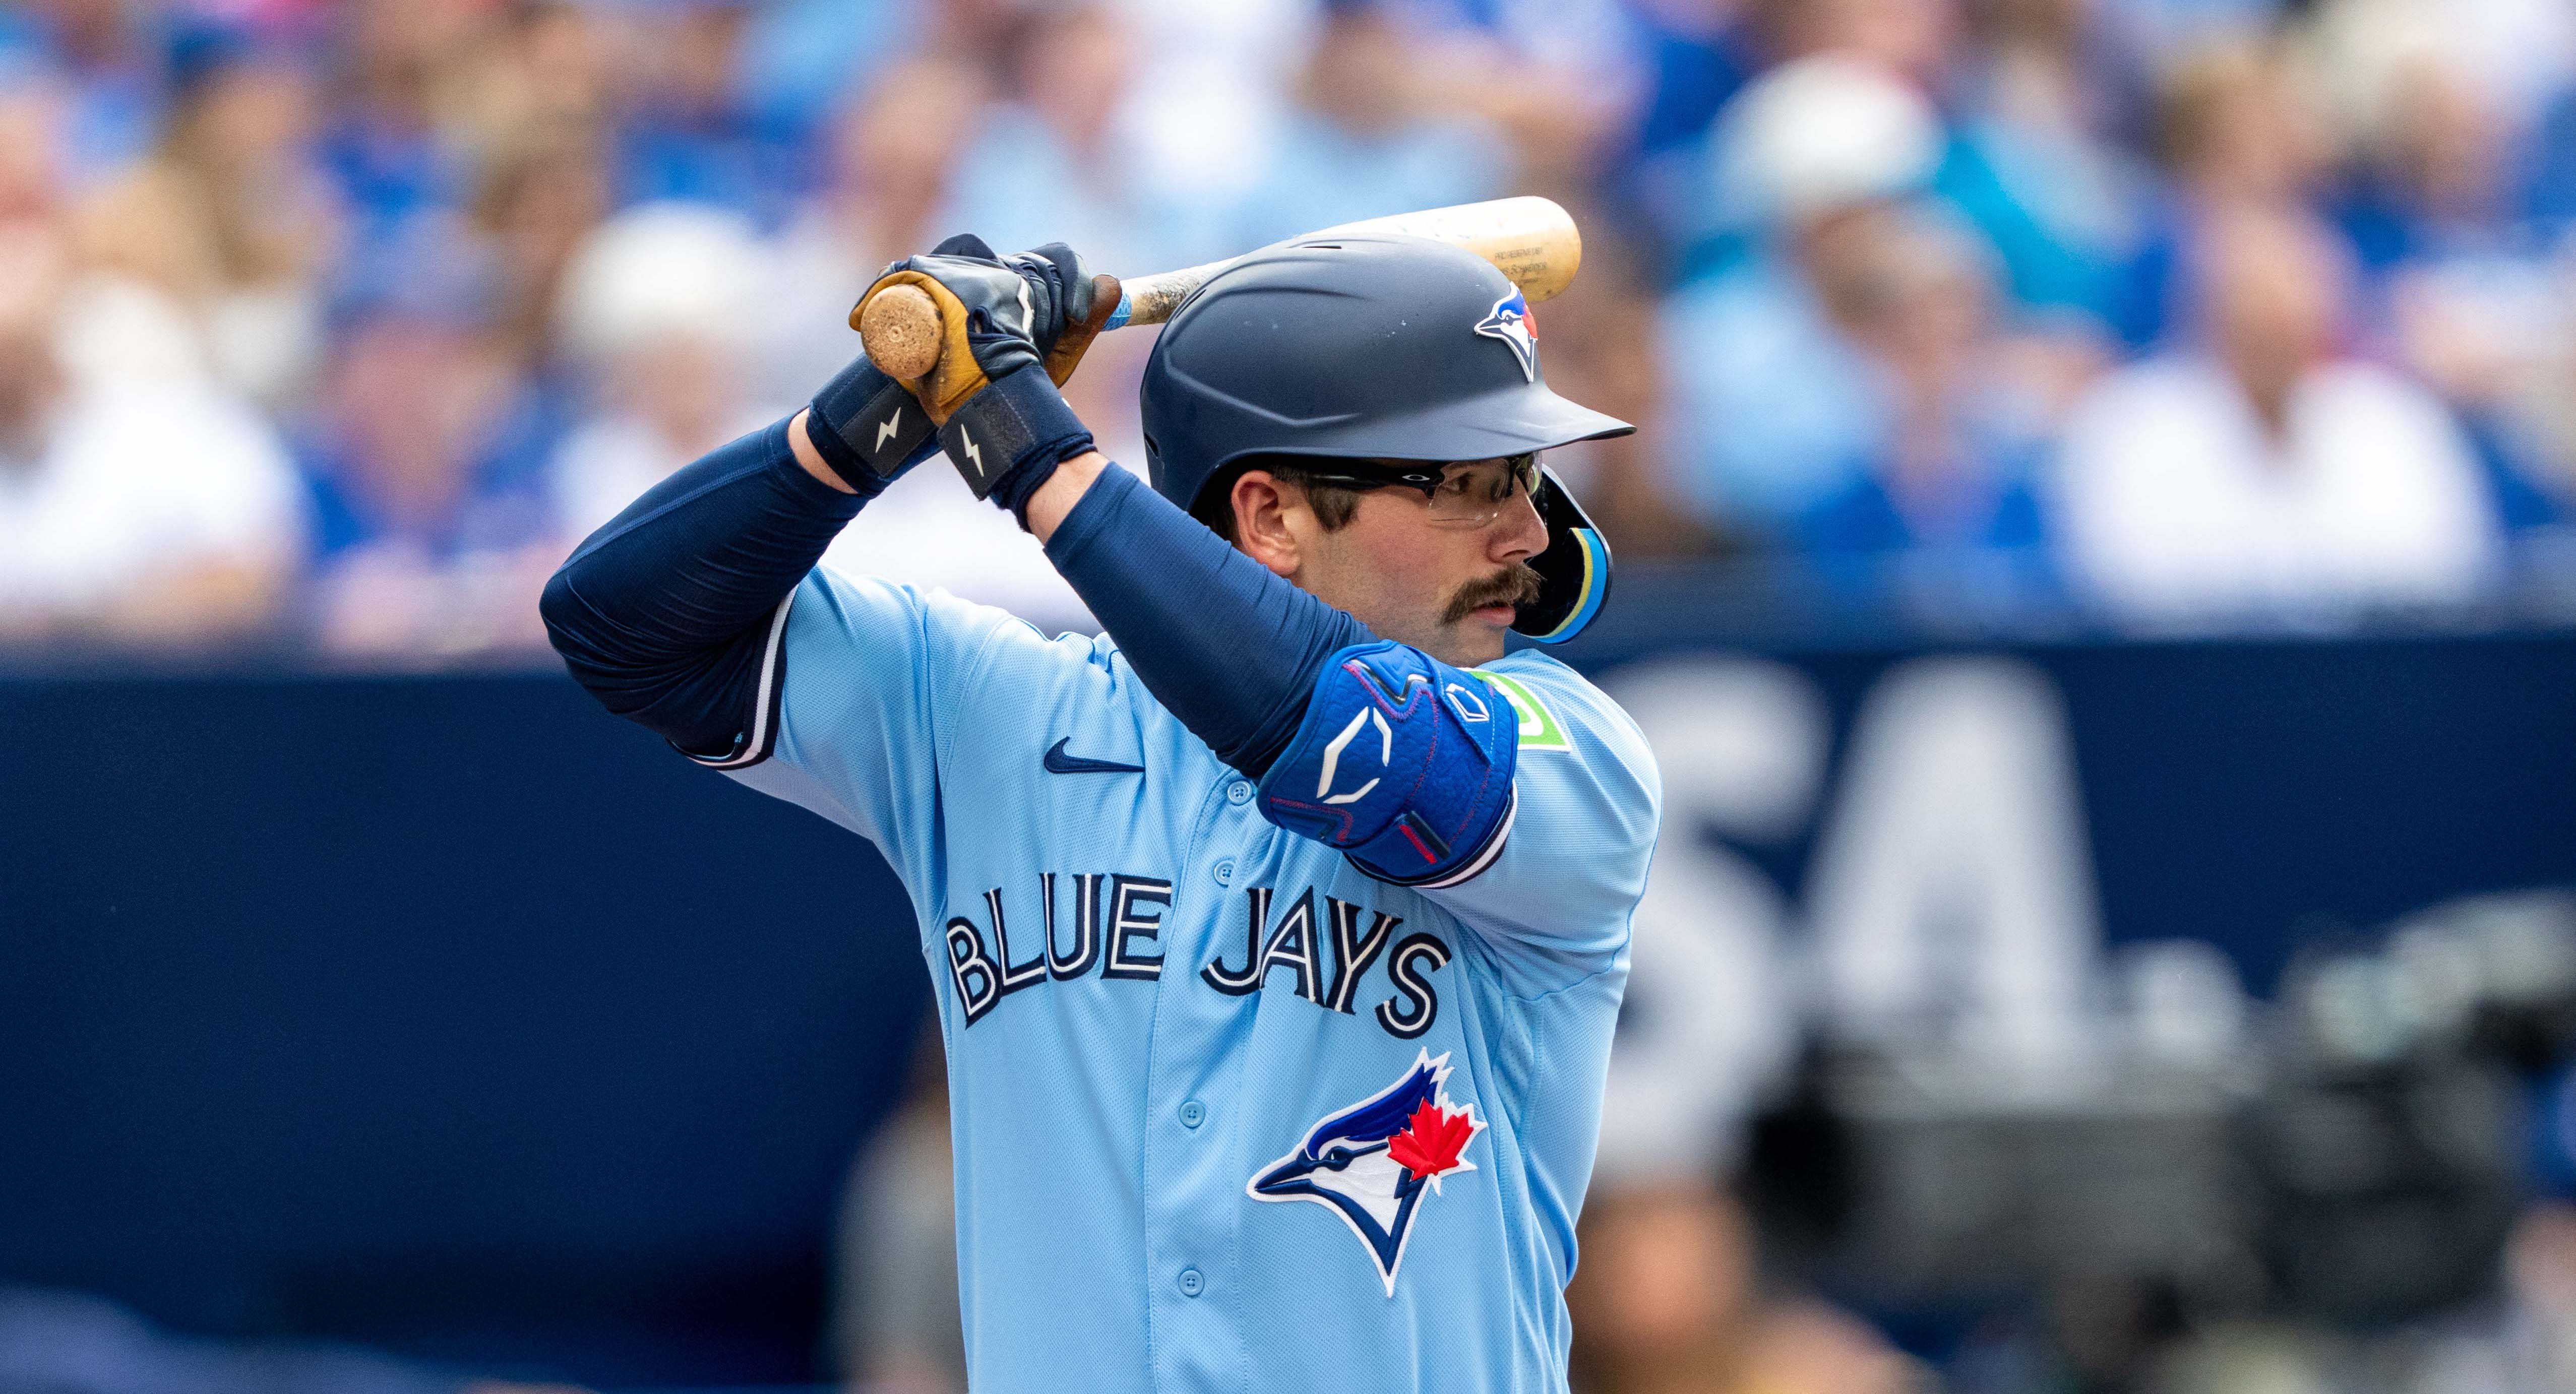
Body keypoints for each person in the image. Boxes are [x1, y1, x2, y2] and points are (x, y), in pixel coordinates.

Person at [542, 231, 1661, 1390]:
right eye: (1470, 484)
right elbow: (623, 624)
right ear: (1270, 517)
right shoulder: (1000, 713)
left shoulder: (1571, 749)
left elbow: (1347, 736)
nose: (1529, 534)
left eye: (1524, 479)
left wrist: (1031, 448)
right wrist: (882, 409)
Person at [2052, 203, 2502, 627]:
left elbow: (2449, 587)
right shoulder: (2129, 429)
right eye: (2253, 316)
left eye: (2293, 315)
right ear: (2206, 316)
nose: (2276, 333)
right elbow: (2121, 596)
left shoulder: (2401, 425)